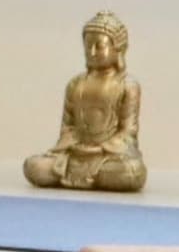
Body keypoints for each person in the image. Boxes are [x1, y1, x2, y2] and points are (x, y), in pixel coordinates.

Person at [24, 11, 145, 193]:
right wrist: (76, 146)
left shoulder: (128, 85)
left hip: (108, 157)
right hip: (74, 155)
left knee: (132, 171)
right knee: (34, 166)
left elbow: (128, 133)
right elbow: (67, 128)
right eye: (88, 46)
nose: (92, 52)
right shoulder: (75, 84)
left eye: (99, 46)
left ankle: (92, 175)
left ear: (118, 49)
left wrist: (99, 149)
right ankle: (84, 176)